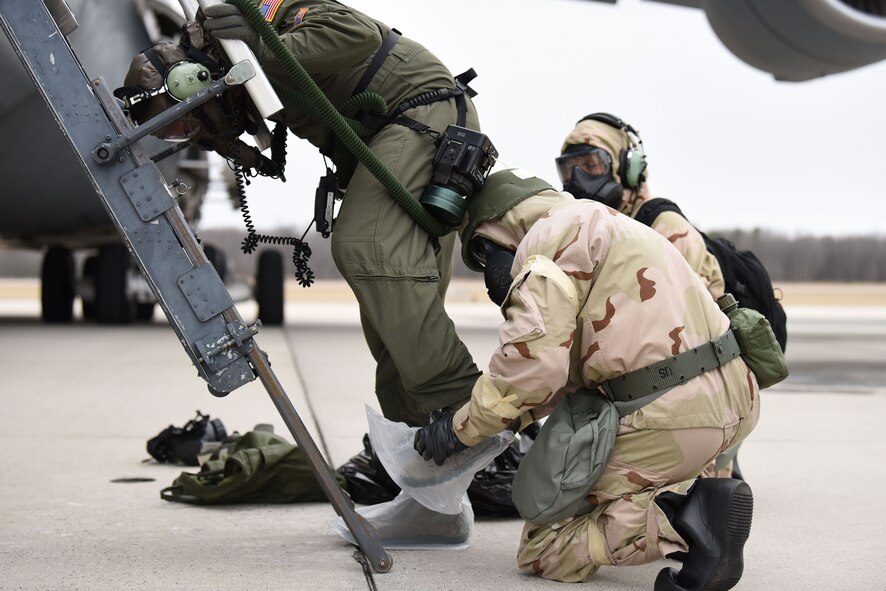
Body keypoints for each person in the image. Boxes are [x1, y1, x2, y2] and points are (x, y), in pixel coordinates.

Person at [413, 169, 761, 589]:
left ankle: (681, 517)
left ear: (495, 231)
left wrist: (458, 430)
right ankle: (702, 498)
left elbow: (531, 370)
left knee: (544, 546)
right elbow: (564, 370)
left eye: (485, 255)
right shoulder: (610, 223)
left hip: (674, 418)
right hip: (735, 400)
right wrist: (500, 422)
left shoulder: (545, 244)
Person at [176, 1, 485, 428]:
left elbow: (355, 35)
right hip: (393, 136)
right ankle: (415, 435)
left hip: (420, 115)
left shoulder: (288, 14)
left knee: (369, 249)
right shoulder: (248, 56)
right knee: (390, 305)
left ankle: (466, 419)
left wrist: (262, 45)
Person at [557, 112, 748, 478]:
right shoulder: (602, 231)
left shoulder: (666, 229)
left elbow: (709, 336)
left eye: (591, 164)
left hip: (697, 380)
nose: (579, 178)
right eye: (570, 168)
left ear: (627, 170)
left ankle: (718, 460)